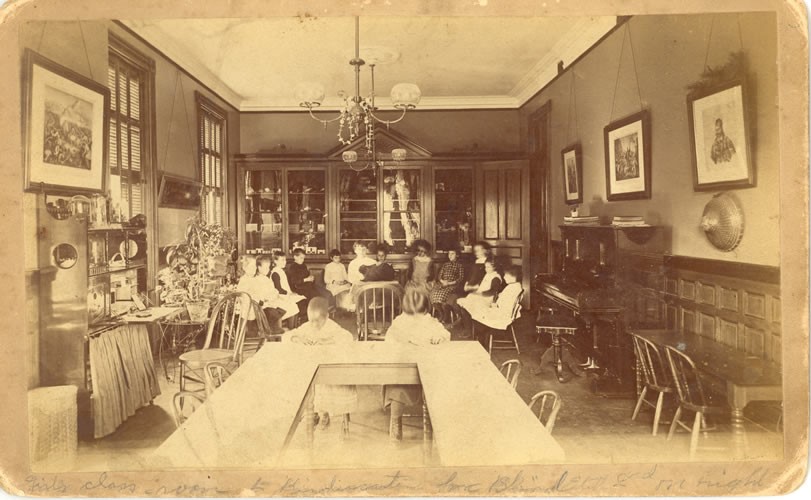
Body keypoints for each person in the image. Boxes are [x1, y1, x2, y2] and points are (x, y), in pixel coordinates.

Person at [283, 298, 358, 434]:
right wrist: (297, 338)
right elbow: (287, 336)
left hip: (329, 371)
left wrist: (328, 340)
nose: (315, 325)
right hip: (312, 369)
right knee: (303, 381)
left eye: (319, 321)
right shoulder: (307, 326)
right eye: (312, 321)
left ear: (327, 317)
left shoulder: (332, 327)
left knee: (324, 386)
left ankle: (324, 413)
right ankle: (314, 411)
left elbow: (347, 337)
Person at [384, 289, 450, 441]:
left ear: (426, 310)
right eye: (410, 314)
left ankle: (435, 421)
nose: (415, 318)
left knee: (438, 387)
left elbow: (445, 334)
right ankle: (395, 421)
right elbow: (389, 342)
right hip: (405, 367)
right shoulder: (400, 322)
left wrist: (440, 337)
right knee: (397, 387)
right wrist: (401, 342)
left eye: (418, 315)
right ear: (405, 311)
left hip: (428, 367)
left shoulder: (430, 321)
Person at [470, 265, 523, 331]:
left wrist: (496, 305)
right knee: (479, 310)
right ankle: (483, 334)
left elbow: (507, 304)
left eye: (506, 275)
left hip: (503, 314)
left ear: (513, 276)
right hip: (503, 311)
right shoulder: (514, 286)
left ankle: (482, 335)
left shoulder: (513, 288)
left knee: (478, 312)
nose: (504, 277)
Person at [457, 258, 503, 328]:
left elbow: (492, 292)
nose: (486, 269)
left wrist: (479, 294)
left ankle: (468, 327)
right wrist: (471, 288)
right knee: (462, 302)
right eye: (485, 267)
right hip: (481, 296)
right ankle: (465, 323)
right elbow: (480, 285)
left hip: (487, 299)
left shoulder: (496, 277)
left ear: (494, 267)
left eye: (488, 267)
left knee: (465, 305)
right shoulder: (488, 274)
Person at [429, 248, 465, 324]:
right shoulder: (445, 264)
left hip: (452, 284)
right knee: (433, 293)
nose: (450, 255)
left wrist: (449, 283)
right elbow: (440, 275)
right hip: (442, 283)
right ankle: (441, 313)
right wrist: (442, 281)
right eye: (449, 254)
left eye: (452, 254)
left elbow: (460, 278)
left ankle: (446, 316)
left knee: (442, 295)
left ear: (457, 255)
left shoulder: (460, 265)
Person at [270, 251, 307, 319]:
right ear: (275, 261)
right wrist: (289, 293)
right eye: (282, 260)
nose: (285, 262)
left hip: (286, 294)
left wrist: (291, 292)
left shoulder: (281, 271)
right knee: (301, 302)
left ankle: (297, 321)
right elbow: (278, 289)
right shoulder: (275, 273)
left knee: (303, 299)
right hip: (281, 296)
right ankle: (296, 322)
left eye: (285, 260)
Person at [346, 241, 376, 312]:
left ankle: (366, 313)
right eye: (359, 249)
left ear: (366, 250)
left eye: (364, 249)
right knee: (358, 292)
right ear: (355, 251)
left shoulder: (372, 261)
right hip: (358, 285)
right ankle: (361, 314)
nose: (362, 251)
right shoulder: (353, 263)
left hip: (371, 285)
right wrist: (359, 279)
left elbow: (376, 275)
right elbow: (350, 278)